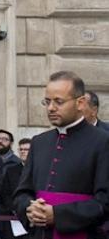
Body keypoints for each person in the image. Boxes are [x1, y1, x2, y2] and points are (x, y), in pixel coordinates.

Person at [13, 71, 109, 237]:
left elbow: (105, 201)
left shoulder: (102, 141)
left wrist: (58, 215)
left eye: (59, 101)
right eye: (47, 101)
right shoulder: (39, 142)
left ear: (80, 103)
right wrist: (30, 209)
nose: (51, 108)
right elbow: (22, 192)